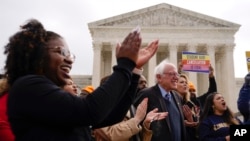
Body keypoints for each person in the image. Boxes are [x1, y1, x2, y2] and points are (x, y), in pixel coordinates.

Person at [3, 19, 159, 141]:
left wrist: (134, 71)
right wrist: (125, 65)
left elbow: (111, 116)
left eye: (70, 55)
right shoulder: (27, 86)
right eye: (61, 52)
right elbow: (90, 110)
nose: (69, 60)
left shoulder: (49, 95)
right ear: (36, 55)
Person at [93, 75, 168, 141]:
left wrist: (146, 124)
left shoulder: (129, 108)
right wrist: (137, 119)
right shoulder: (98, 110)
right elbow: (111, 135)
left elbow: (139, 138)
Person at [134, 59, 187, 141]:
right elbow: (135, 123)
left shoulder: (177, 97)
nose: (176, 78)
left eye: (177, 74)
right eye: (171, 74)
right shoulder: (146, 95)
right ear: (159, 77)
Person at [175, 73, 199, 141]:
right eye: (182, 82)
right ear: (175, 85)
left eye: (186, 82)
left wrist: (192, 122)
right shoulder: (171, 103)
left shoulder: (191, 105)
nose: (185, 84)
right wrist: (182, 123)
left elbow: (197, 128)